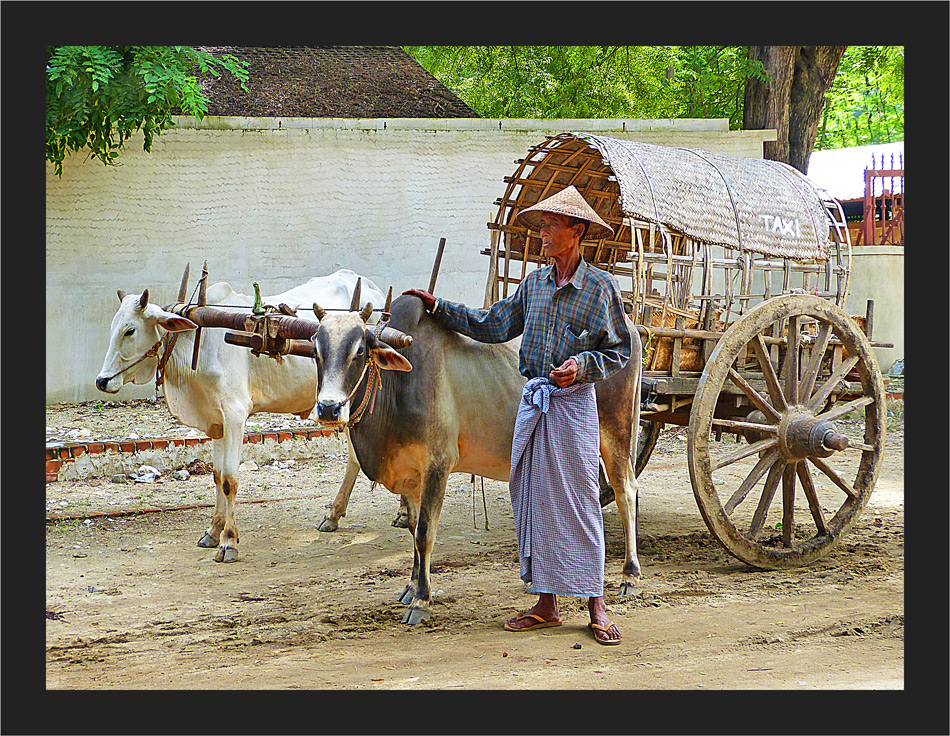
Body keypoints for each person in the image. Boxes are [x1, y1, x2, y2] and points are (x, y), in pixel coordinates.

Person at [404, 185, 631, 645]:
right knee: (531, 499)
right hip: (535, 402)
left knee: (581, 502)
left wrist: (582, 366)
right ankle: (546, 604)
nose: (543, 234)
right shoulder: (535, 284)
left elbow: (619, 350)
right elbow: (493, 325)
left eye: (552, 226)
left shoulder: (601, 288)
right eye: (542, 225)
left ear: (577, 231)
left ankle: (596, 604)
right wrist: (438, 307)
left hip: (572, 406)